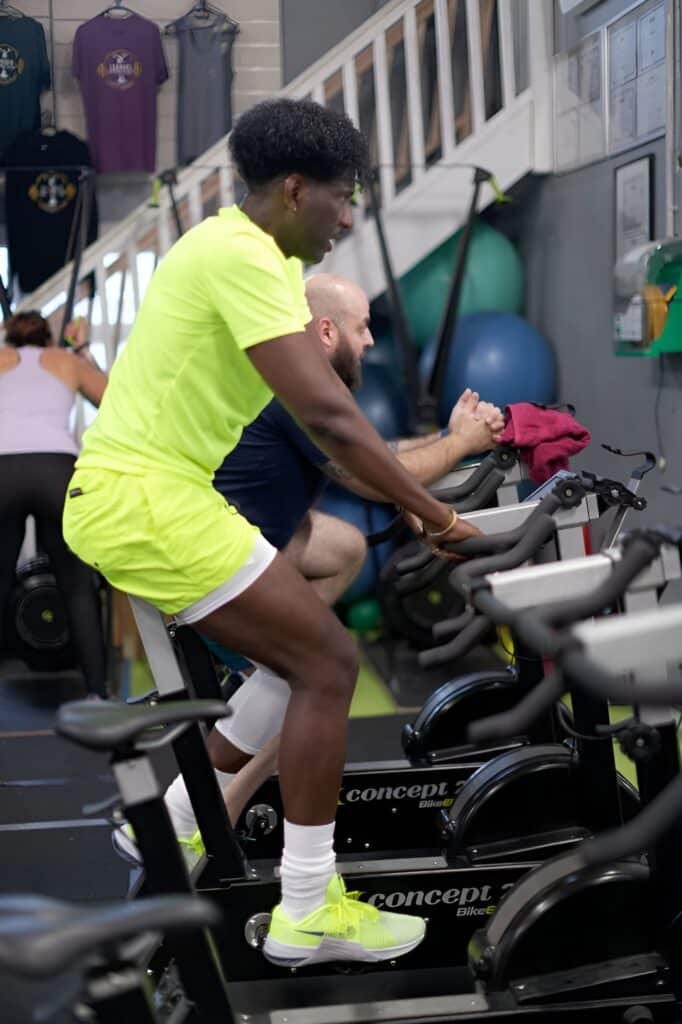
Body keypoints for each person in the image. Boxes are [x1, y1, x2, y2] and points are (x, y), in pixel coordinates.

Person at [63, 97, 482, 969]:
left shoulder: (239, 255)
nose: (350, 215)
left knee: (300, 663)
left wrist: (419, 500)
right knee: (327, 662)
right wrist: (436, 514)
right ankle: (306, 910)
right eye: (344, 195)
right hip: (143, 499)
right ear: (296, 190)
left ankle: (181, 824)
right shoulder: (243, 256)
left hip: (161, 496)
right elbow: (330, 416)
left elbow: (334, 433)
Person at [153, 273, 504, 852]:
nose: (369, 341)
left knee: (343, 546)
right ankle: (196, 818)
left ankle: (256, 682)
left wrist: (442, 447)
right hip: (203, 564)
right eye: (362, 327)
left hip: (245, 540)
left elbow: (374, 458)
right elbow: (369, 475)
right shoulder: (298, 385)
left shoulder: (295, 371)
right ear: (325, 329)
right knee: (313, 673)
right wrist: (459, 446)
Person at [0, 312, 108, 698]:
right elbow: (114, 401)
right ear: (49, 338)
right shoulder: (67, 361)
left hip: (3, 469)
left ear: (8, 336)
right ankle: (98, 693)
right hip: (56, 469)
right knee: (77, 585)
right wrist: (80, 348)